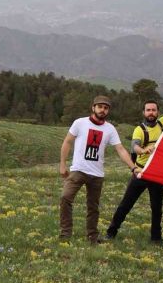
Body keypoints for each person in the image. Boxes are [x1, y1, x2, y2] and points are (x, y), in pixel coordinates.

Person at [59, 95, 138, 244]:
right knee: (65, 198)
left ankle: (92, 237)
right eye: (100, 107)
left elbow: (120, 149)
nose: (103, 110)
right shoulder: (80, 123)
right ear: (93, 107)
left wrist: (133, 167)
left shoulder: (110, 129)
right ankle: (65, 234)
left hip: (97, 174)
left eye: (106, 108)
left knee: (93, 208)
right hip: (78, 170)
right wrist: (62, 165)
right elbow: (67, 142)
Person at [106, 100, 163, 243]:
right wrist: (143, 150)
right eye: (148, 110)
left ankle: (156, 238)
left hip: (157, 174)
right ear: (144, 113)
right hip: (140, 173)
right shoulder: (139, 130)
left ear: (158, 112)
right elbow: (134, 146)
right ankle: (111, 233)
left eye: (153, 110)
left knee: (157, 209)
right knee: (126, 204)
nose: (151, 113)